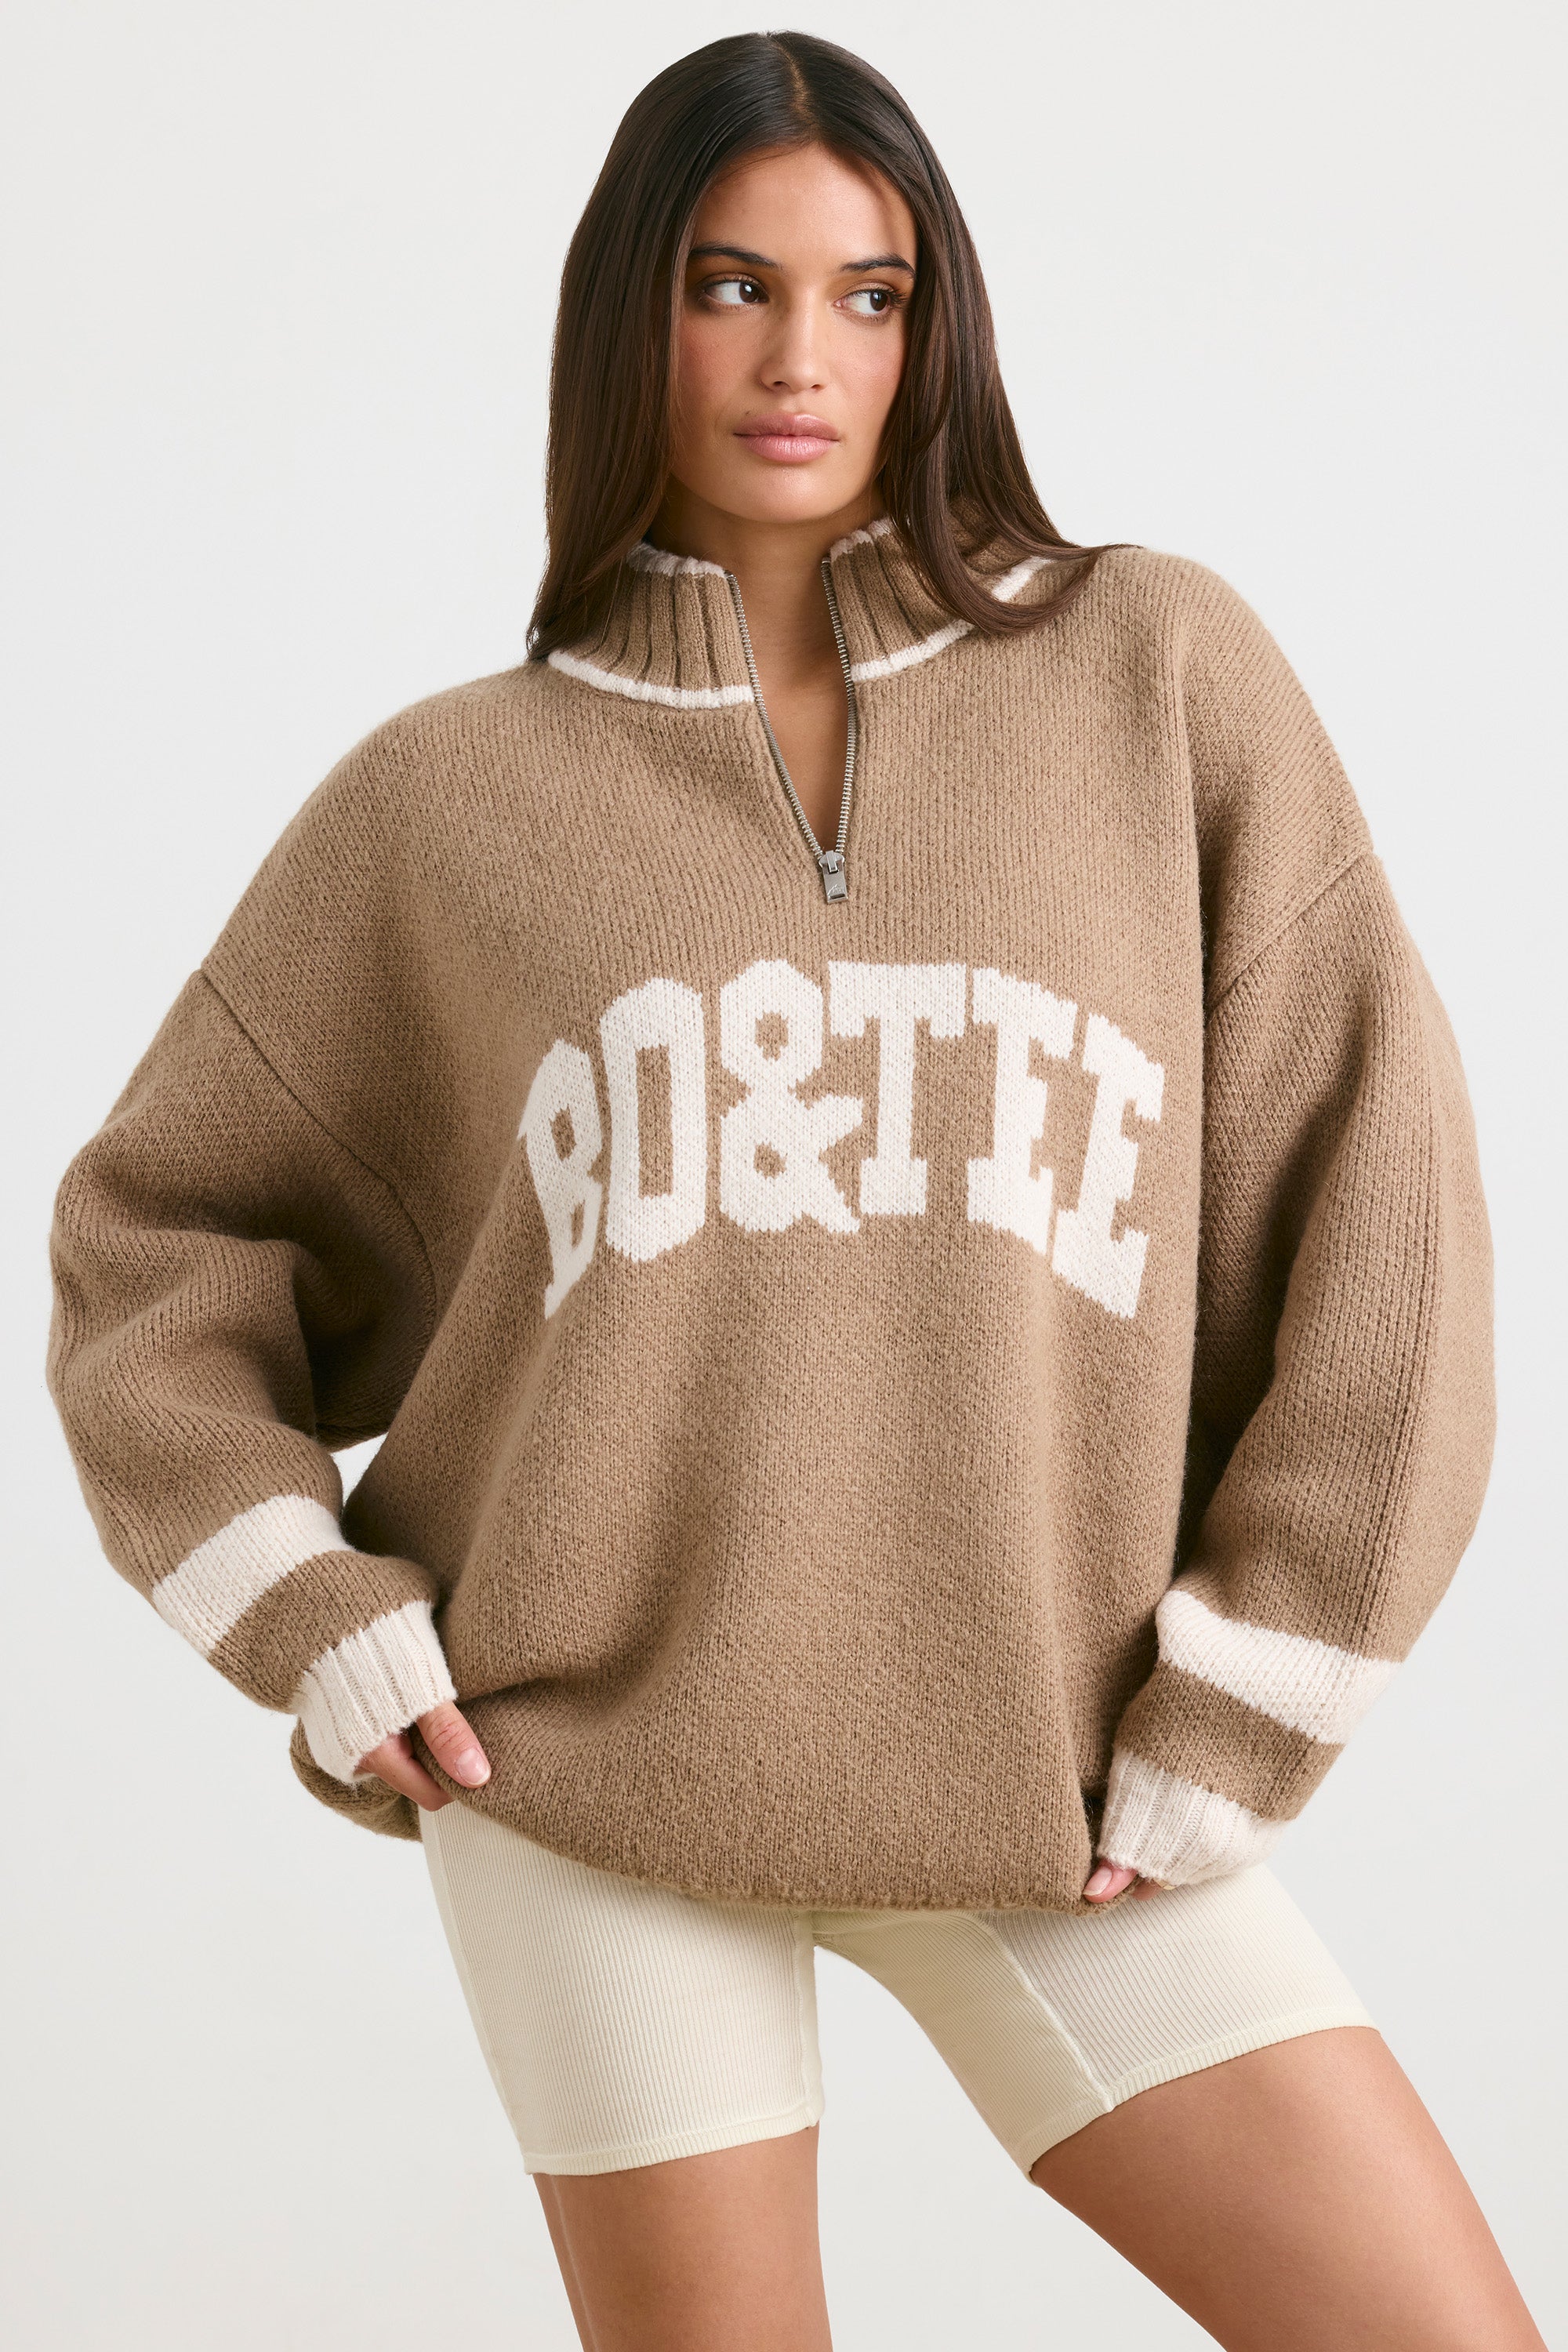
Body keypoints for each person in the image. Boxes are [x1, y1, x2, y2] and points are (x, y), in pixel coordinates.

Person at [46, 28, 1541, 2352]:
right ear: (630, 312)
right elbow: (153, 1245)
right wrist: (312, 1616)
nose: (800, 358)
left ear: (938, 328)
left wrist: (1251, 1689)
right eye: (732, 285)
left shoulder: (1155, 671)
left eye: (871, 292)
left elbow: (1386, 1208)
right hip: (583, 1778)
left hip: (1060, 1778)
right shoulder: (444, 802)